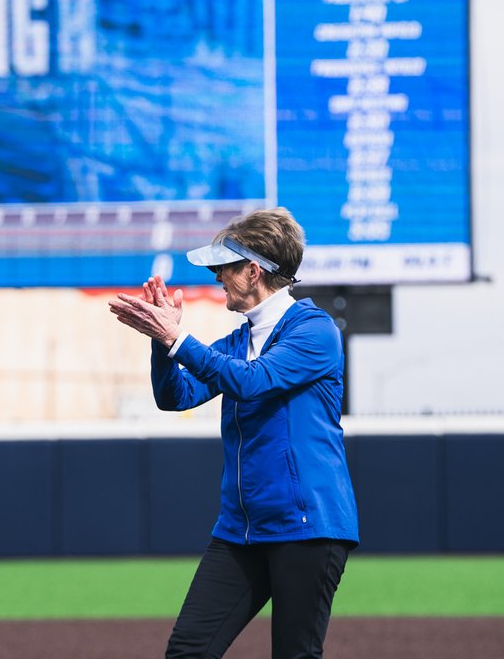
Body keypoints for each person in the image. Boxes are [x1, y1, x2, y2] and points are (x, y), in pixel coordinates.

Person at [108, 207, 358, 659]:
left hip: (307, 528)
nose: (217, 276)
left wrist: (176, 339)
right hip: (241, 530)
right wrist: (162, 342)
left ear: (252, 270)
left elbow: (251, 381)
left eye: (224, 267)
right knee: (188, 651)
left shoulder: (315, 332)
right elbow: (176, 397)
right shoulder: (237, 342)